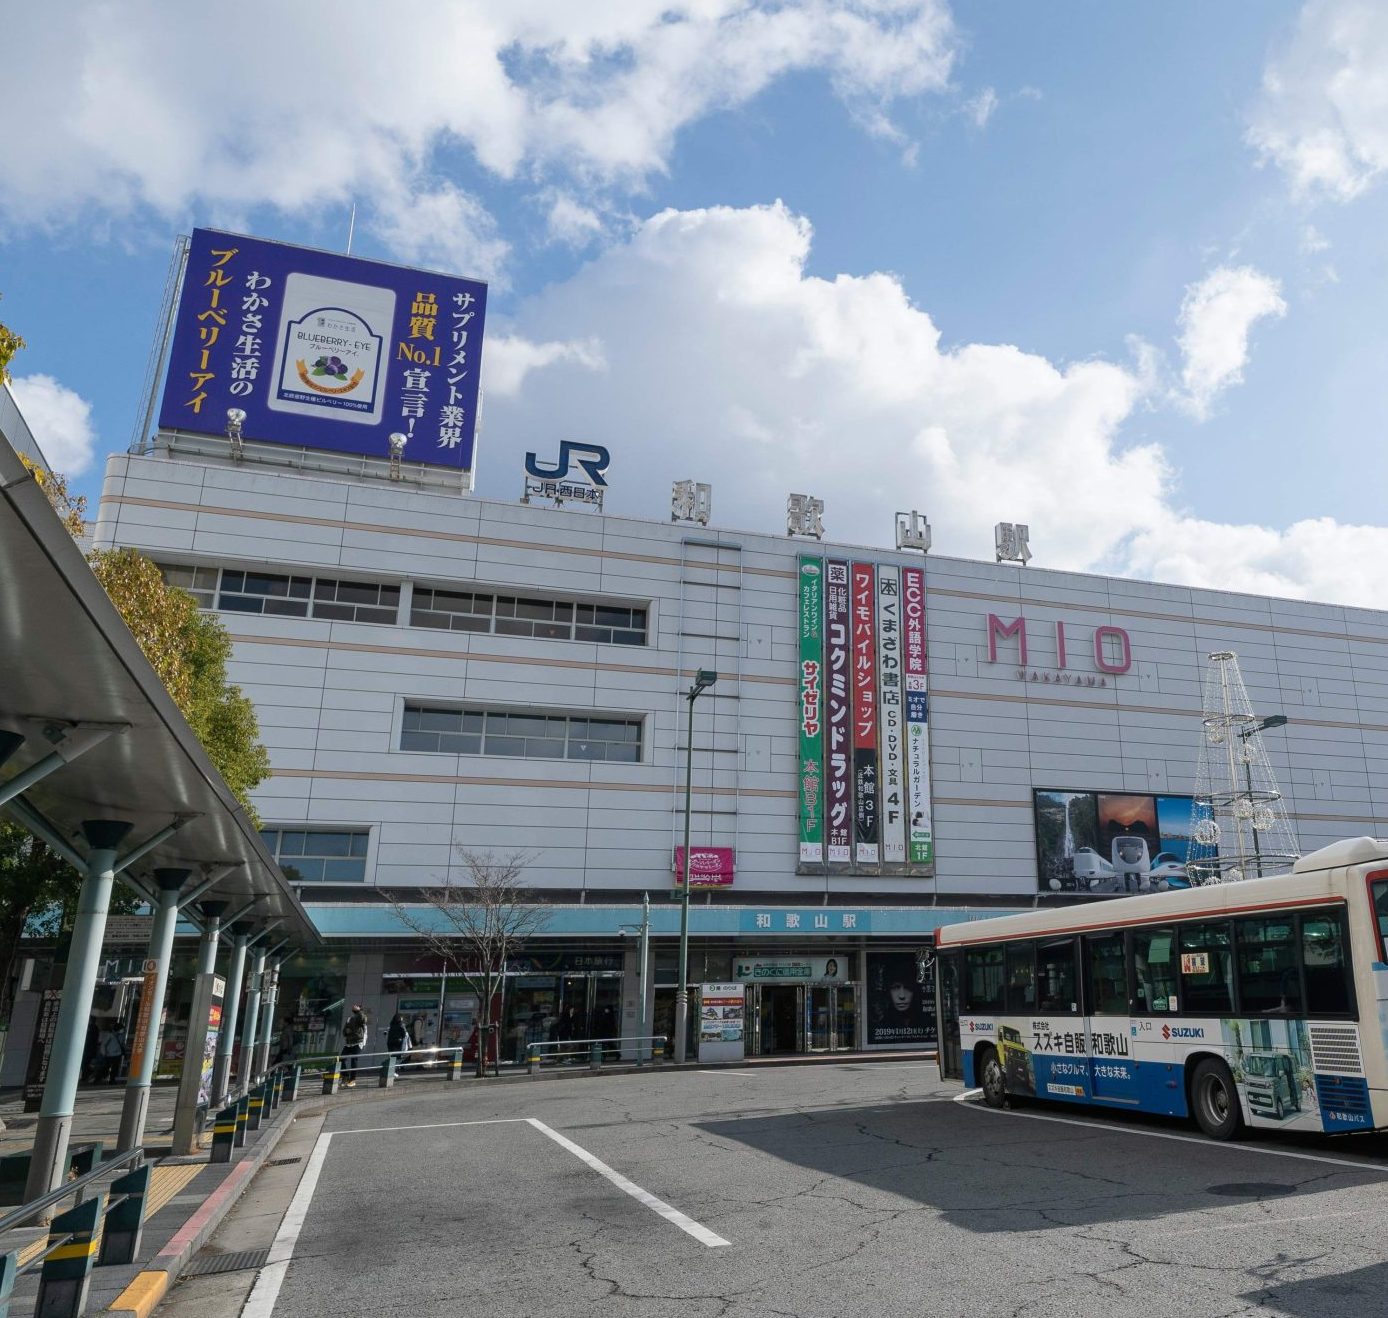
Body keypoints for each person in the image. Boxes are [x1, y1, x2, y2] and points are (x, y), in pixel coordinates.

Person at [341, 1004, 368, 1087]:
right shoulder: (349, 1018)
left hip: (358, 1042)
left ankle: (353, 1080)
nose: (354, 1006)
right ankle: (345, 1077)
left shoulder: (361, 1017)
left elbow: (363, 1020)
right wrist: (346, 1031)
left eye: (357, 1006)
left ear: (360, 1009)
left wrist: (359, 1011)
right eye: (354, 1005)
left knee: (354, 1059)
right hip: (349, 1043)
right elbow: (344, 1031)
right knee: (341, 1058)